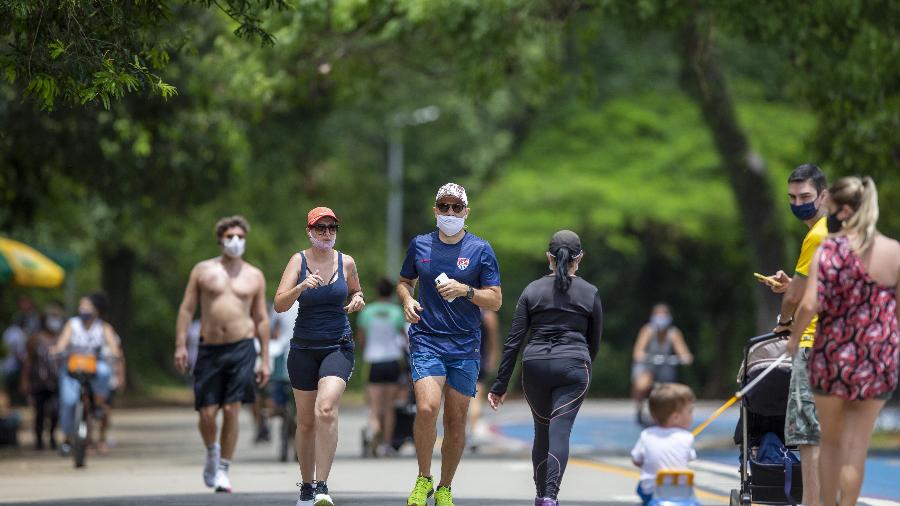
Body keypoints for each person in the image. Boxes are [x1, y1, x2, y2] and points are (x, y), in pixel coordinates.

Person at [788, 176, 899, 506]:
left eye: (832, 209)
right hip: (878, 357)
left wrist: (794, 339)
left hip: (832, 356)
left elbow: (809, 304)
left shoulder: (829, 250)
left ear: (845, 210)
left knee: (831, 442)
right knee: (856, 446)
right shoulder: (894, 252)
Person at [398, 183, 502, 506]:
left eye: (457, 208)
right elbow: (405, 282)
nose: (450, 213)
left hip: (465, 345)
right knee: (427, 407)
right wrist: (406, 300)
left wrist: (465, 291)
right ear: (435, 211)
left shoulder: (480, 250)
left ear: (466, 212)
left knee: (456, 420)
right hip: (427, 339)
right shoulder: (420, 245)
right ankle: (423, 478)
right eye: (444, 207)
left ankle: (444, 486)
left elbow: (496, 299)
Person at [489, 230, 602, 506]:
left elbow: (513, 342)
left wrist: (500, 385)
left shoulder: (531, 290)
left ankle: (541, 496)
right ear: (580, 258)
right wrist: (581, 367)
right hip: (574, 365)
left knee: (541, 430)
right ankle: (551, 496)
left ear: (548, 257)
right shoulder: (590, 293)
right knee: (559, 431)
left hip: (535, 366)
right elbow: (594, 342)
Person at [274, 206, 365, 506]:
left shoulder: (346, 261)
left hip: (337, 345)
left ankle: (322, 487)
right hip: (303, 348)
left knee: (325, 409)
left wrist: (357, 300)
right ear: (309, 231)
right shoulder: (298, 261)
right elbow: (278, 304)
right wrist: (301, 286)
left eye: (332, 228)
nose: (327, 233)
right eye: (320, 228)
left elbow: (356, 292)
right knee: (306, 422)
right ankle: (306, 487)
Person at [174, 215, 270, 493]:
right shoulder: (203, 271)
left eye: (240, 236)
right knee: (206, 414)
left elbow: (262, 319)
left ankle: (225, 468)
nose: (236, 241)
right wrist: (181, 344)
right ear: (220, 240)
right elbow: (186, 309)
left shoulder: (254, 275)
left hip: (241, 347)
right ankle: (212, 451)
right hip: (209, 348)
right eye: (230, 237)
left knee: (232, 409)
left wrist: (264, 358)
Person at [761, 163, 828, 506]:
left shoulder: (816, 235)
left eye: (805, 196)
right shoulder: (842, 232)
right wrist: (794, 287)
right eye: (792, 197)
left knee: (808, 437)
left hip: (811, 344)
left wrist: (784, 319)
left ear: (824, 195)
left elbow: (794, 300)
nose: (798, 203)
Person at [50, 294, 123, 456]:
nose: (83, 309)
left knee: (104, 371)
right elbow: (62, 343)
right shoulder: (72, 324)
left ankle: (98, 401)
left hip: (94, 367)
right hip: (73, 367)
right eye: (81, 306)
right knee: (68, 402)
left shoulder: (104, 327)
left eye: (87, 306)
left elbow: (113, 346)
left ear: (97, 310)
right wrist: (57, 350)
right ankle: (67, 436)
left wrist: (115, 354)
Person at [355, 278, 407, 457]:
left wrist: (366, 351)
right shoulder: (396, 312)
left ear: (377, 291)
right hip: (393, 360)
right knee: (389, 407)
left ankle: (374, 430)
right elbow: (403, 338)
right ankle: (386, 444)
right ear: (391, 292)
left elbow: (361, 338)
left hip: (374, 361)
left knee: (375, 406)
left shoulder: (367, 312)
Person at [630, 383, 697, 505]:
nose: (692, 416)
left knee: (642, 486)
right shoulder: (687, 437)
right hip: (681, 490)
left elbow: (636, 459)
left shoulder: (647, 435)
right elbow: (690, 457)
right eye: (690, 411)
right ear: (676, 417)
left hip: (651, 491)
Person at [630, 303, 693, 425]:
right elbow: (638, 351)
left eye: (664, 315)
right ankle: (639, 408)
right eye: (658, 315)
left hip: (665, 366)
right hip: (647, 365)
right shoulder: (648, 330)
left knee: (670, 390)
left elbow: (683, 351)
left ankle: (667, 412)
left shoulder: (674, 333)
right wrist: (643, 356)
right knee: (642, 384)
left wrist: (685, 357)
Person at [20, 302, 64, 450]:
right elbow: (28, 361)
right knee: (39, 412)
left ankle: (52, 436)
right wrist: (24, 381)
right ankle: (39, 439)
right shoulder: (35, 339)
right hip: (38, 382)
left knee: (55, 410)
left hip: (57, 382)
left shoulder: (62, 338)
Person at [467, 308, 499, 448]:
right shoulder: (488, 315)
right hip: (480, 358)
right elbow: (493, 340)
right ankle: (472, 433)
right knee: (476, 397)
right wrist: (493, 358)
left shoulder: (462, 311)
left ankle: (463, 432)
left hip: (461, 358)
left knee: (460, 397)